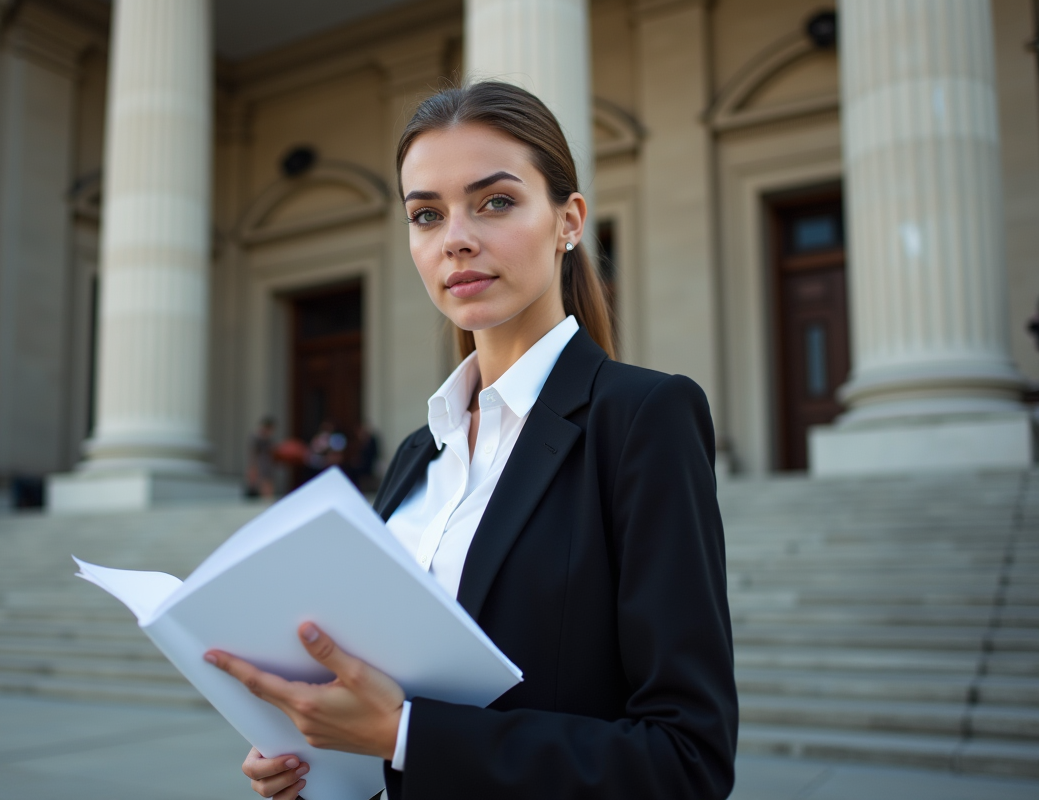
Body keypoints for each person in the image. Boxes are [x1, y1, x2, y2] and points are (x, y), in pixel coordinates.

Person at [205, 82, 737, 799]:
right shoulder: (418, 452)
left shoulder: (643, 417)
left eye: (495, 202)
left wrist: (402, 735)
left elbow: (687, 761)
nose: (455, 237)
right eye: (426, 214)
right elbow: (387, 708)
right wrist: (313, 753)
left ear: (568, 221)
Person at [246, 417, 277, 499]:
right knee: (260, 484)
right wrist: (253, 467)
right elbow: (253, 453)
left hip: (266, 465)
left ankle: (267, 497)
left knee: (267, 483)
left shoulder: (268, 438)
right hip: (259, 465)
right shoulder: (257, 437)